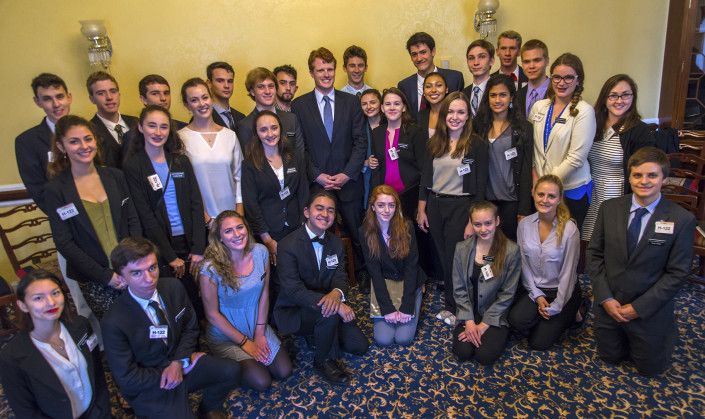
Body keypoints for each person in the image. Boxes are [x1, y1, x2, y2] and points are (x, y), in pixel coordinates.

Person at [102, 237, 241, 418]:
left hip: (181, 363)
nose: (149, 279)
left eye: (152, 268)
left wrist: (179, 362)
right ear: (121, 278)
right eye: (137, 273)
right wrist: (171, 370)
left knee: (232, 370)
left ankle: (207, 409)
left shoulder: (173, 287)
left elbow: (190, 328)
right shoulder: (113, 321)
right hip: (151, 386)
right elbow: (127, 378)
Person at [588, 147, 695, 377]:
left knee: (649, 369)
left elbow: (677, 273)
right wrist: (605, 298)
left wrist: (639, 308)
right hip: (611, 303)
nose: (644, 181)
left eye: (652, 175)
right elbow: (595, 255)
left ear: (664, 178)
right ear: (629, 177)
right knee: (610, 357)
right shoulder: (609, 208)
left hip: (648, 309)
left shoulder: (682, 219)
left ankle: (665, 329)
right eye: (637, 175)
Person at [45, 115, 142, 320]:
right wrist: (105, 276)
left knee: (146, 325)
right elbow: (65, 242)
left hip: (131, 268)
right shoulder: (56, 190)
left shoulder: (115, 176)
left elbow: (133, 220)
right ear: (62, 146)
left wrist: (133, 263)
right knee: (116, 332)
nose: (84, 146)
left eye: (88, 139)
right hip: (95, 278)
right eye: (74, 141)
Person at [291, 47, 369, 289]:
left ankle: (363, 277)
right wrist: (317, 175)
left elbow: (360, 142)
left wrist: (347, 174)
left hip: (349, 183)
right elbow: (299, 148)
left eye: (330, 69)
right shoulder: (299, 106)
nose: (326, 74)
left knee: (359, 234)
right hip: (317, 184)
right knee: (318, 234)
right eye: (320, 70)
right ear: (311, 73)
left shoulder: (351, 103)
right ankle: (321, 280)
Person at [274, 191, 369, 385]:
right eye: (319, 208)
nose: (325, 214)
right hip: (295, 310)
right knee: (330, 312)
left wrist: (336, 293)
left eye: (330, 210)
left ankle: (319, 334)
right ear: (307, 212)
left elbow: (340, 276)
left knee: (360, 346)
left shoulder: (335, 242)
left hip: (327, 301)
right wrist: (336, 305)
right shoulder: (287, 245)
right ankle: (323, 360)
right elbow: (294, 291)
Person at [123, 105, 206, 321]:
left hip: (189, 244)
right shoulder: (134, 167)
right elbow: (145, 216)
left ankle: (198, 341)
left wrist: (198, 248)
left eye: (163, 127)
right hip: (161, 247)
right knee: (171, 299)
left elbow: (196, 204)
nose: (158, 132)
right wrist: (170, 257)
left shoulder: (180, 161)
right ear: (140, 127)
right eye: (152, 126)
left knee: (196, 297)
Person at [417, 92, 489, 325]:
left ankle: (458, 307)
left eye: (461, 112)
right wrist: (421, 209)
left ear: (468, 116)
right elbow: (426, 178)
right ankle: (453, 304)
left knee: (457, 259)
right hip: (436, 205)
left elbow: (480, 186)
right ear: (443, 114)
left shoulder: (476, 144)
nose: (455, 116)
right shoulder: (435, 142)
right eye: (450, 111)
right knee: (444, 256)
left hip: (462, 206)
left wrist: (472, 220)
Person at [199, 211, 292, 392]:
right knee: (262, 382)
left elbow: (264, 293)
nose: (237, 234)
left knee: (284, 370)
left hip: (256, 321)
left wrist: (259, 332)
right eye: (229, 231)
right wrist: (245, 343)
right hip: (225, 332)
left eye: (240, 227)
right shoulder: (209, 269)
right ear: (219, 238)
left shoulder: (260, 252)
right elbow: (212, 314)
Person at [0, 269, 110, 419]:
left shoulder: (82, 326)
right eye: (39, 298)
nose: (51, 302)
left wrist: (102, 413)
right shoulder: (11, 357)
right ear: (23, 305)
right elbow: (26, 412)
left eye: (55, 293)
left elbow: (98, 376)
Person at [508, 174, 582, 350]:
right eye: (541, 194)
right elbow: (524, 264)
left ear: (559, 199)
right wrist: (537, 295)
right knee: (516, 321)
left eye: (551, 196)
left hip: (561, 291)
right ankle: (544, 316)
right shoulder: (524, 224)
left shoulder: (570, 230)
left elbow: (568, 273)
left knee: (538, 343)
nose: (545, 200)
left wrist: (557, 306)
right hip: (536, 289)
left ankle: (576, 310)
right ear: (533, 194)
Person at [582, 74, 655, 242]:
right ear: (605, 98)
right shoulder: (592, 124)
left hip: (617, 193)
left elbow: (645, 169)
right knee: (587, 238)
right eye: (613, 95)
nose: (619, 100)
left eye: (625, 95)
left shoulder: (639, 130)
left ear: (633, 98)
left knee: (611, 240)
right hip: (591, 190)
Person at [529, 53, 596, 232]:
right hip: (540, 190)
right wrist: (536, 178)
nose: (561, 82)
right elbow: (531, 149)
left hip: (570, 192)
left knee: (565, 247)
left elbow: (576, 158)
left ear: (578, 81)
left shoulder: (584, 111)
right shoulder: (539, 108)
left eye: (568, 77)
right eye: (557, 77)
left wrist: (546, 187)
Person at [452, 201, 521, 365]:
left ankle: (502, 332)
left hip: (495, 312)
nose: (483, 229)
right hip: (470, 310)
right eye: (477, 224)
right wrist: (469, 322)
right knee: (462, 352)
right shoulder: (461, 249)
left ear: (497, 221)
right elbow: (459, 289)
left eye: (488, 223)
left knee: (484, 356)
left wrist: (483, 325)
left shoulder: (511, 251)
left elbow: (508, 294)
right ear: (471, 224)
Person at [359, 185, 424, 346]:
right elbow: (374, 272)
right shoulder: (365, 231)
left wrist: (407, 304)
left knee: (403, 338)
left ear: (397, 207)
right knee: (383, 339)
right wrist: (386, 307)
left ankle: (419, 293)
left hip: (409, 280)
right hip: (385, 282)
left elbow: (411, 266)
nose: (386, 210)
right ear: (373, 207)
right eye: (381, 205)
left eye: (391, 205)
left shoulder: (407, 226)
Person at [242, 111, 309, 264]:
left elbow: (303, 192)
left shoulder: (295, 157)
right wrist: (267, 239)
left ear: (281, 129)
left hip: (296, 226)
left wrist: (303, 225)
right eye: (263, 129)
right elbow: (251, 205)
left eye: (274, 128)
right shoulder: (249, 165)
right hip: (269, 230)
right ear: (256, 133)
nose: (270, 134)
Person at [471, 74, 533, 240]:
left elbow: (527, 168)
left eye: (503, 95)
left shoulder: (523, 128)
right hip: (486, 202)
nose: (497, 100)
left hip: (512, 202)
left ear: (511, 97)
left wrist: (524, 209)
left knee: (509, 248)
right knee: (487, 248)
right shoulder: (478, 126)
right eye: (493, 95)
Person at [178, 77, 244, 225]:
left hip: (232, 218)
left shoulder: (229, 135)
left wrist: (239, 214)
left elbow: (239, 177)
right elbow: (185, 186)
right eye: (194, 100)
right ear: (186, 105)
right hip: (202, 220)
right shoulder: (180, 138)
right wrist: (207, 219)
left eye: (205, 97)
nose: (202, 104)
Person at [16, 73, 72, 214]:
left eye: (60, 96)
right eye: (47, 99)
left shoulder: (90, 131)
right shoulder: (27, 141)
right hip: (64, 217)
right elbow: (38, 190)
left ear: (69, 97)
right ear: (37, 102)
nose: (56, 104)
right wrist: (70, 214)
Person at [370, 88, 425, 219]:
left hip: (411, 195)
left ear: (404, 107)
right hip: (385, 198)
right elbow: (376, 167)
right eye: (388, 104)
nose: (392, 108)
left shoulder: (415, 132)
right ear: (382, 108)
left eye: (397, 103)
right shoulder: (377, 133)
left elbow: (425, 170)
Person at [235, 67, 305, 153]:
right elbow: (248, 160)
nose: (267, 91)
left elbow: (300, 154)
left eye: (271, 86)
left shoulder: (291, 119)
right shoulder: (245, 125)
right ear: (252, 91)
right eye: (261, 87)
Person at [397, 32, 464, 119]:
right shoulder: (404, 86)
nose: (419, 58)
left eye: (423, 52)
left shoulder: (455, 78)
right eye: (414, 54)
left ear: (433, 51)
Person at [86, 71, 138, 168]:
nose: (109, 97)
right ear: (92, 99)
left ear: (119, 95)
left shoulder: (136, 122)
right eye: (101, 93)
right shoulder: (89, 130)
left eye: (113, 91)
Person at [205, 62, 246, 135]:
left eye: (230, 81)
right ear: (209, 83)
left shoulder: (241, 117)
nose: (226, 85)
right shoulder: (203, 118)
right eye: (220, 81)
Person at [360, 88, 384, 208]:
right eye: (364, 104)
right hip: (367, 179)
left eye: (373, 102)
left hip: (387, 176)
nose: (368, 106)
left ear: (381, 103)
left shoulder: (389, 124)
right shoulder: (358, 128)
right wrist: (365, 163)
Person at [462, 40, 495, 117]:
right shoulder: (463, 94)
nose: (476, 62)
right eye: (471, 58)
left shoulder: (498, 92)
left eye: (482, 57)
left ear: (491, 61)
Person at [517, 39, 550, 118]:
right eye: (527, 62)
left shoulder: (558, 93)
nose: (531, 66)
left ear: (547, 61)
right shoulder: (517, 95)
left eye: (537, 60)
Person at [416, 72, 449, 138]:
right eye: (428, 86)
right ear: (424, 92)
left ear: (446, 89)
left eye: (439, 85)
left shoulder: (453, 114)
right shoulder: (420, 116)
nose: (433, 90)